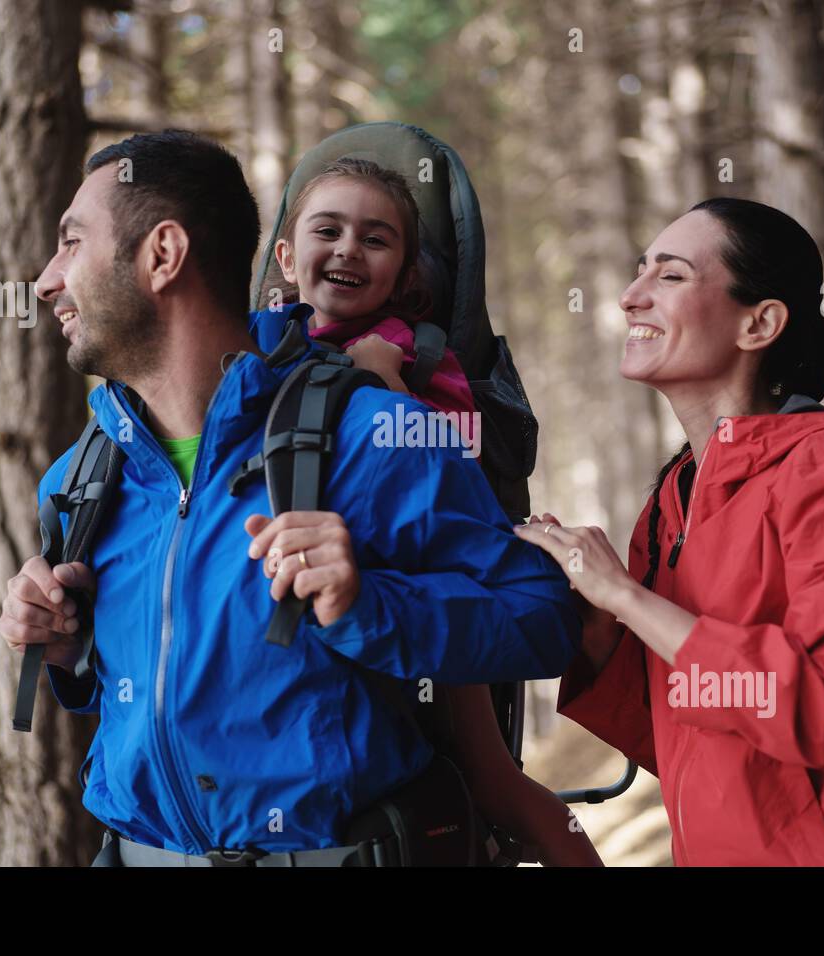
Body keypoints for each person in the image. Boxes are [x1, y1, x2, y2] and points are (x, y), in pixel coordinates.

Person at [0, 130, 580, 864]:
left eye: (71, 243)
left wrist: (372, 605)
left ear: (162, 255)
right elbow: (130, 680)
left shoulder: (375, 433)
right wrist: (63, 643)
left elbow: (543, 619)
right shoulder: (83, 479)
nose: (47, 280)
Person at [515, 197, 824, 866]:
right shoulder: (671, 501)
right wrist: (599, 636)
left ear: (759, 323)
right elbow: (690, 734)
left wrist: (627, 597)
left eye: (670, 276)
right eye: (638, 270)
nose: (630, 296)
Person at [253, 157, 602, 865]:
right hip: (321, 608)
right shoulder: (262, 353)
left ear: (407, 273)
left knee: (493, 781)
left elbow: (449, 464)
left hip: (429, 595)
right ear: (287, 257)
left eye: (376, 239)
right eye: (329, 230)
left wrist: (384, 381)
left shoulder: (417, 354)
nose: (349, 248)